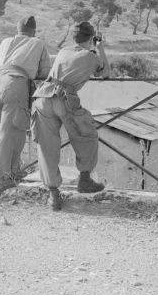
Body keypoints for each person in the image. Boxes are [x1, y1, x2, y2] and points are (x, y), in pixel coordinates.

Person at [31, 21, 110, 211]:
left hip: (42, 96)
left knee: (47, 145)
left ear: (73, 38)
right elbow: (105, 73)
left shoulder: (63, 51)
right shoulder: (91, 56)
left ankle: (53, 195)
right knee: (86, 134)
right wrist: (101, 48)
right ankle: (84, 179)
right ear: (91, 39)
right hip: (64, 97)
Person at [0, 15, 51, 195]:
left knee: (15, 130)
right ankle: (0, 180)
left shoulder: (5, 42)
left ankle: (13, 172)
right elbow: (45, 73)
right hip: (14, 84)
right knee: (8, 133)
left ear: (17, 29)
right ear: (34, 30)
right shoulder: (37, 43)